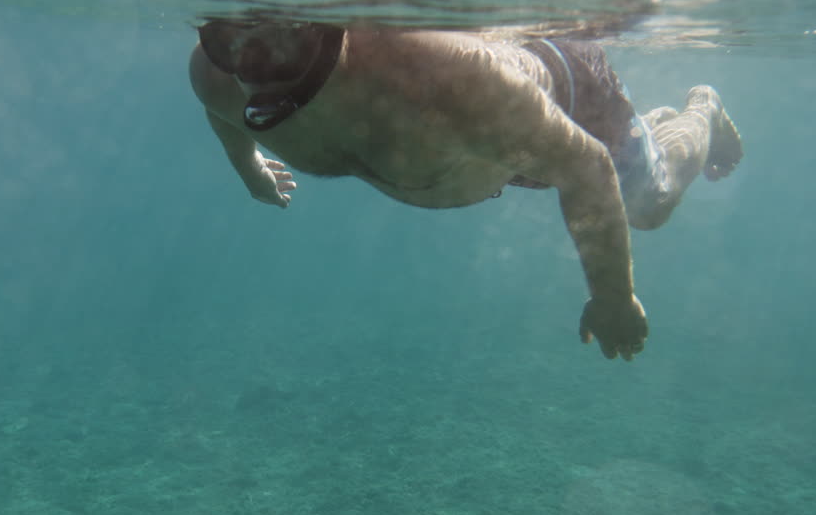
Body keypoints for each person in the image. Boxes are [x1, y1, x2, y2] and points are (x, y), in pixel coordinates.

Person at [188, 21, 743, 361]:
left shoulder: (442, 77)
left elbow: (586, 168)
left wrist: (613, 298)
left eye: (275, 39)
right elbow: (224, 115)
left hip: (570, 95)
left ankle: (702, 110)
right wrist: (251, 170)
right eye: (225, 39)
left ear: (328, 26)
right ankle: (655, 128)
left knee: (651, 204)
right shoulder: (215, 75)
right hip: (493, 148)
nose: (252, 68)